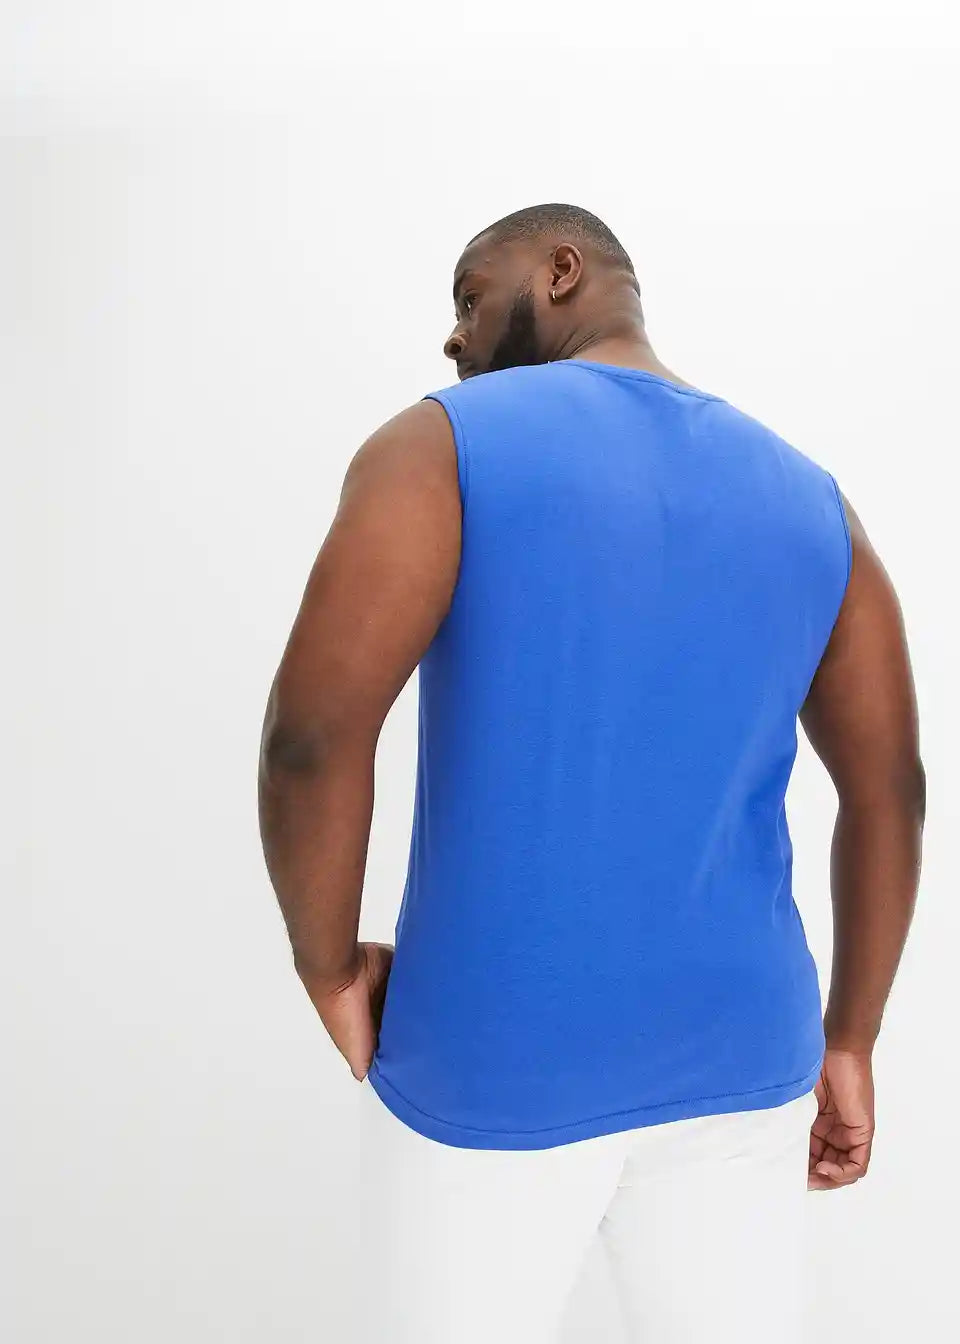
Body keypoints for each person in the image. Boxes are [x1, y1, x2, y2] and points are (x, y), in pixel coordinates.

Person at [257, 203, 925, 1342]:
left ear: (561, 270)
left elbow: (311, 738)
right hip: (742, 1064)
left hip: (492, 1061)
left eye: (470, 298)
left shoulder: (440, 446)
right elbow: (890, 790)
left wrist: (328, 967)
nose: (454, 337)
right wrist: (850, 1036)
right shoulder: (814, 499)